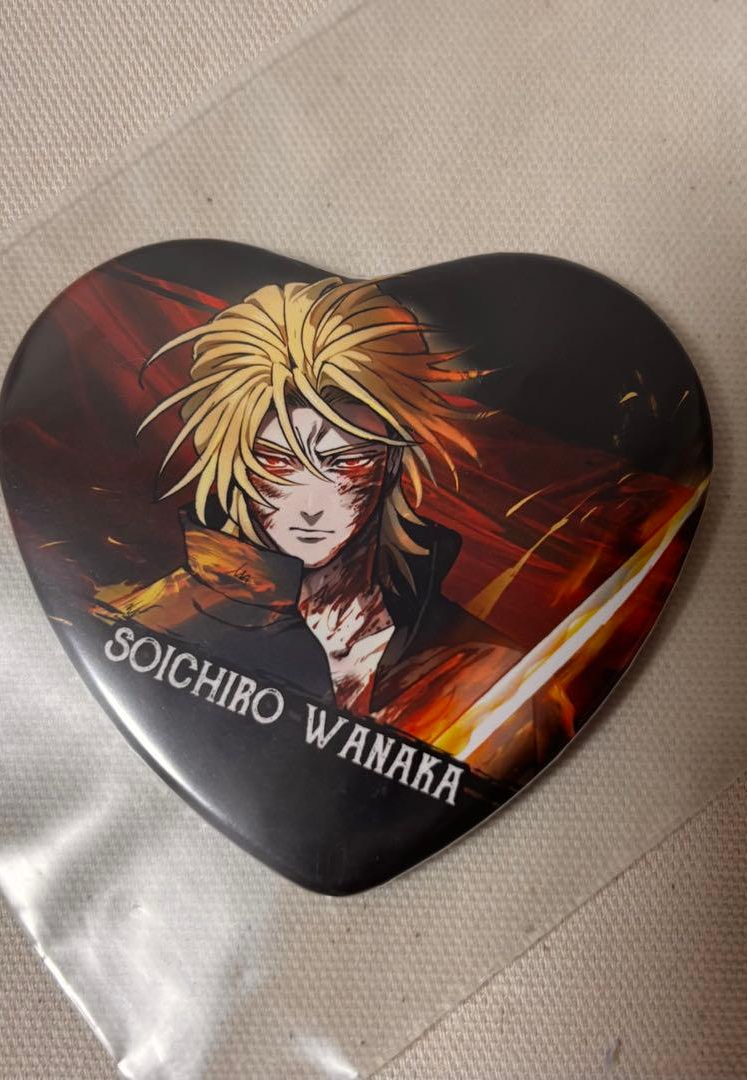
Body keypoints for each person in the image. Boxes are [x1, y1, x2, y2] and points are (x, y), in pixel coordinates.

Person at [92, 276, 529, 751]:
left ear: (391, 463)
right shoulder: (147, 630)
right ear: (233, 462)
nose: (311, 505)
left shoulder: (486, 667)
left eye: (345, 462)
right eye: (277, 463)